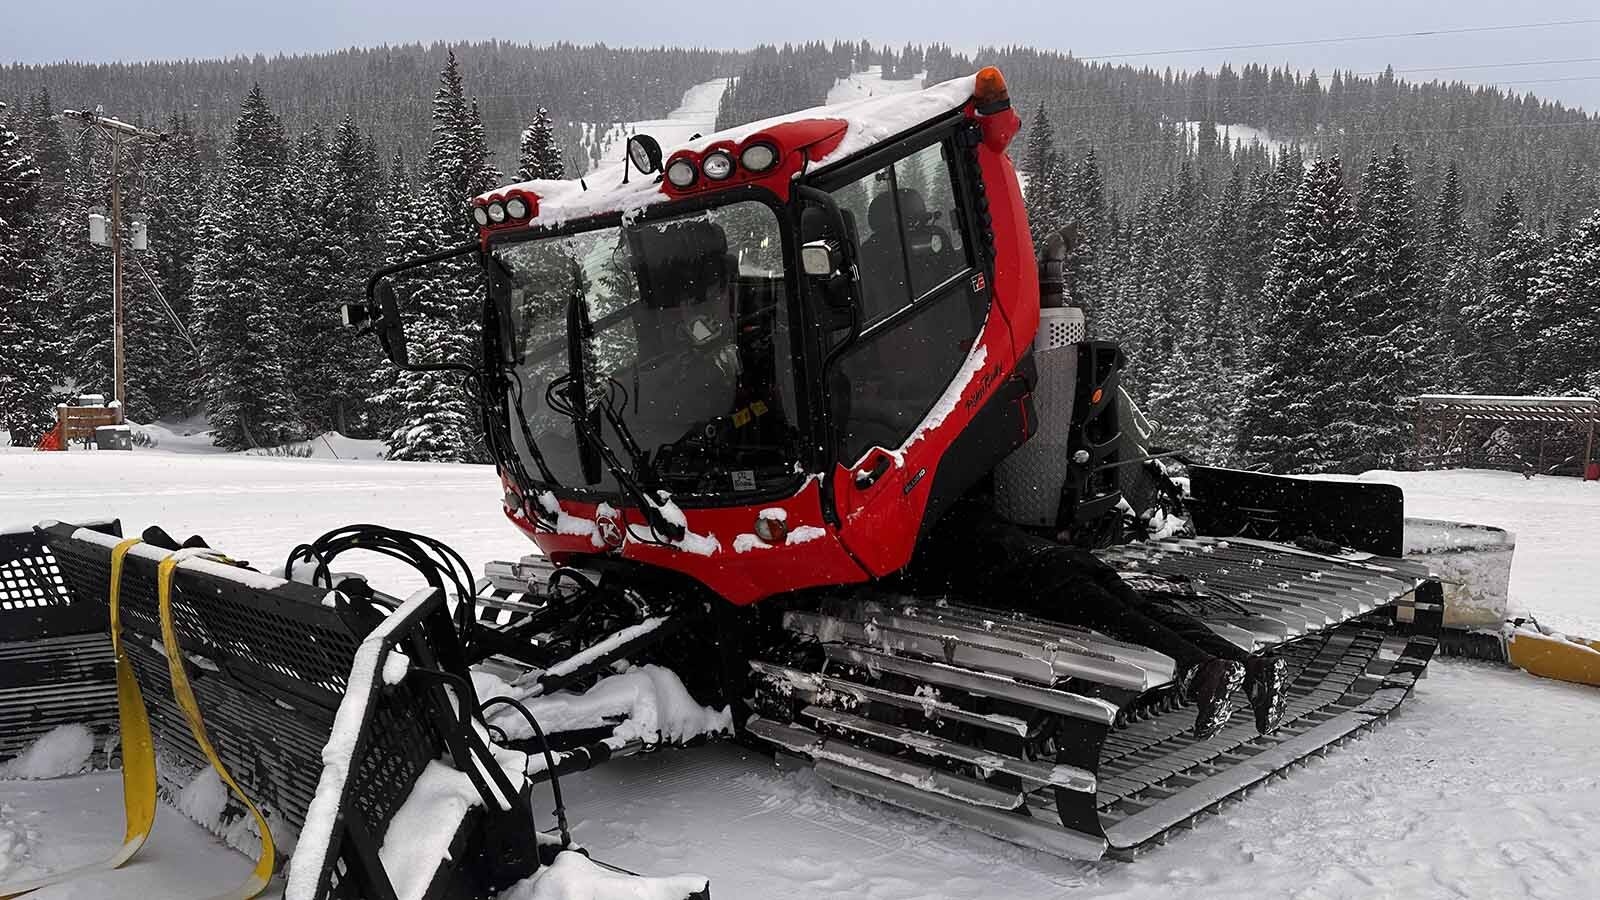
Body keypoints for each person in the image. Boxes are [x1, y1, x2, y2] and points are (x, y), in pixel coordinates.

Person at [907, 496, 1288, 740]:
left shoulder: (923, 545)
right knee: (1144, 610)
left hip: (1039, 580)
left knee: (1126, 621)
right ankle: (1253, 668)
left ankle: (1203, 668)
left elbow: (921, 579)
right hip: (1066, 558)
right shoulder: (954, 504)